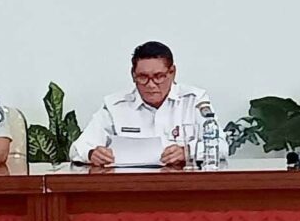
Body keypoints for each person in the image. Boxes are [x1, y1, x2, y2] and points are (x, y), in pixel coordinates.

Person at [70, 41, 227, 166]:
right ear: (133, 75)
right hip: (130, 187)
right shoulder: (115, 106)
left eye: (158, 76)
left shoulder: (194, 101)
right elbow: (77, 148)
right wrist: (92, 154)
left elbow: (221, 146)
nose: (151, 85)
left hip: (182, 186)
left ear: (172, 72)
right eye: (143, 77)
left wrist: (187, 152)